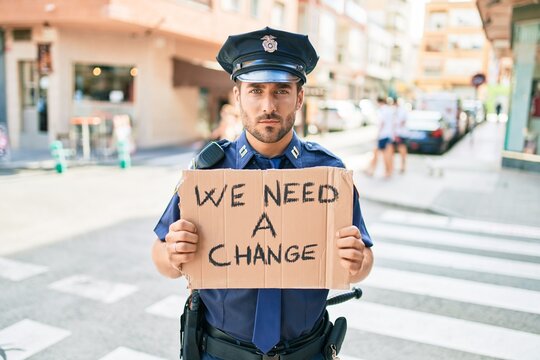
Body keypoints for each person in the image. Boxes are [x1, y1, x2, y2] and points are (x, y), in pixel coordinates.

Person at [151, 27, 374, 360]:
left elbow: (363, 260)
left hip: (307, 351)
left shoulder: (329, 174)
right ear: (238, 96)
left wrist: (356, 261)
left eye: (281, 90)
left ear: (299, 98)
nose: (268, 105)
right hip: (222, 352)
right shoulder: (207, 173)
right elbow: (163, 260)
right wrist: (173, 253)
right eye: (255, 90)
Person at [366, 96, 394, 178]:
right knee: (382, 153)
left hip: (383, 135)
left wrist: (377, 134)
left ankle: (385, 171)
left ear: (379, 102)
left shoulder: (382, 110)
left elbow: (382, 123)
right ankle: (374, 170)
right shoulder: (389, 110)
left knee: (383, 154)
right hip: (388, 134)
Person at [392, 98, 408, 174]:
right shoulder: (394, 110)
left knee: (402, 150)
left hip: (400, 134)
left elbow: (402, 122)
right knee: (393, 150)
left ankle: (403, 166)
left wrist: (397, 133)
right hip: (395, 134)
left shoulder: (402, 111)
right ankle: (396, 166)